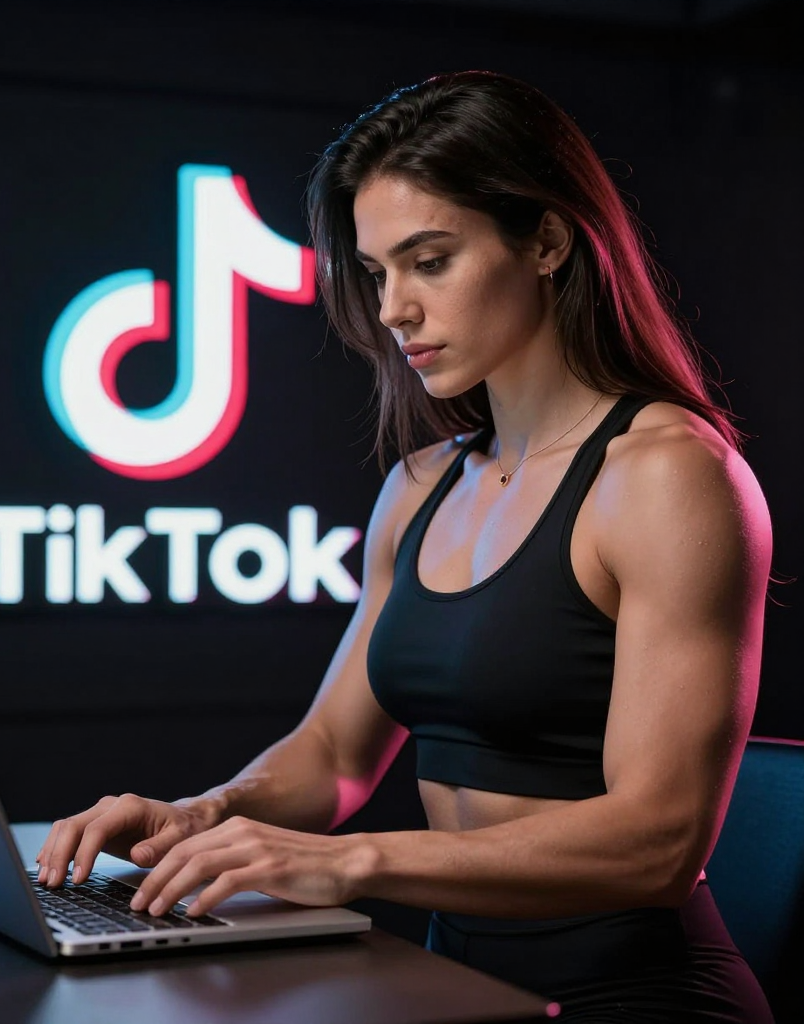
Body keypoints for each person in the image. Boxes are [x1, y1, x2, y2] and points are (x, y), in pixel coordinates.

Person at [37, 72, 774, 1021]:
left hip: (636, 996)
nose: (392, 310)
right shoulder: (421, 484)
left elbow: (659, 845)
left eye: (430, 261)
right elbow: (334, 753)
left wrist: (349, 862)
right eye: (378, 271)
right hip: (454, 984)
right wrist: (203, 814)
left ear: (547, 240)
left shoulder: (669, 475)